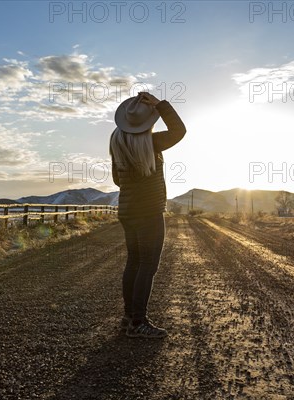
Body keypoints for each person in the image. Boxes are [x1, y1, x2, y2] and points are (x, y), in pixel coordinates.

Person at [109, 92, 187, 338]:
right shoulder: (152, 142)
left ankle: (128, 317)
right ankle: (138, 322)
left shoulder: (116, 139)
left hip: (127, 211)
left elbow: (116, 179)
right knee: (147, 266)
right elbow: (179, 130)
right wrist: (160, 104)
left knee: (133, 262)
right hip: (149, 211)